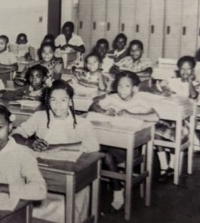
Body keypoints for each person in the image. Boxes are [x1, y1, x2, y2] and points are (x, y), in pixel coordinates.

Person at [12, 80, 99, 222]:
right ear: (48, 101)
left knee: (62, 210)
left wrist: (59, 146)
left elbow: (93, 146)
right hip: (41, 174)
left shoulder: (83, 123)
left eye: (63, 100)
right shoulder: (40, 117)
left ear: (70, 102)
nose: (58, 105)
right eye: (53, 100)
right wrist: (29, 141)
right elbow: (16, 134)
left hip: (72, 179)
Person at [89, 71, 158, 211]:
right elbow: (92, 106)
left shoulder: (139, 101)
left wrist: (131, 114)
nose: (122, 90)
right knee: (100, 151)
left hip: (131, 148)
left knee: (105, 154)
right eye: (120, 86)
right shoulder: (112, 98)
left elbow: (155, 116)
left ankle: (117, 191)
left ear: (134, 88)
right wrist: (103, 112)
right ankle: (112, 189)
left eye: (127, 86)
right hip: (109, 142)